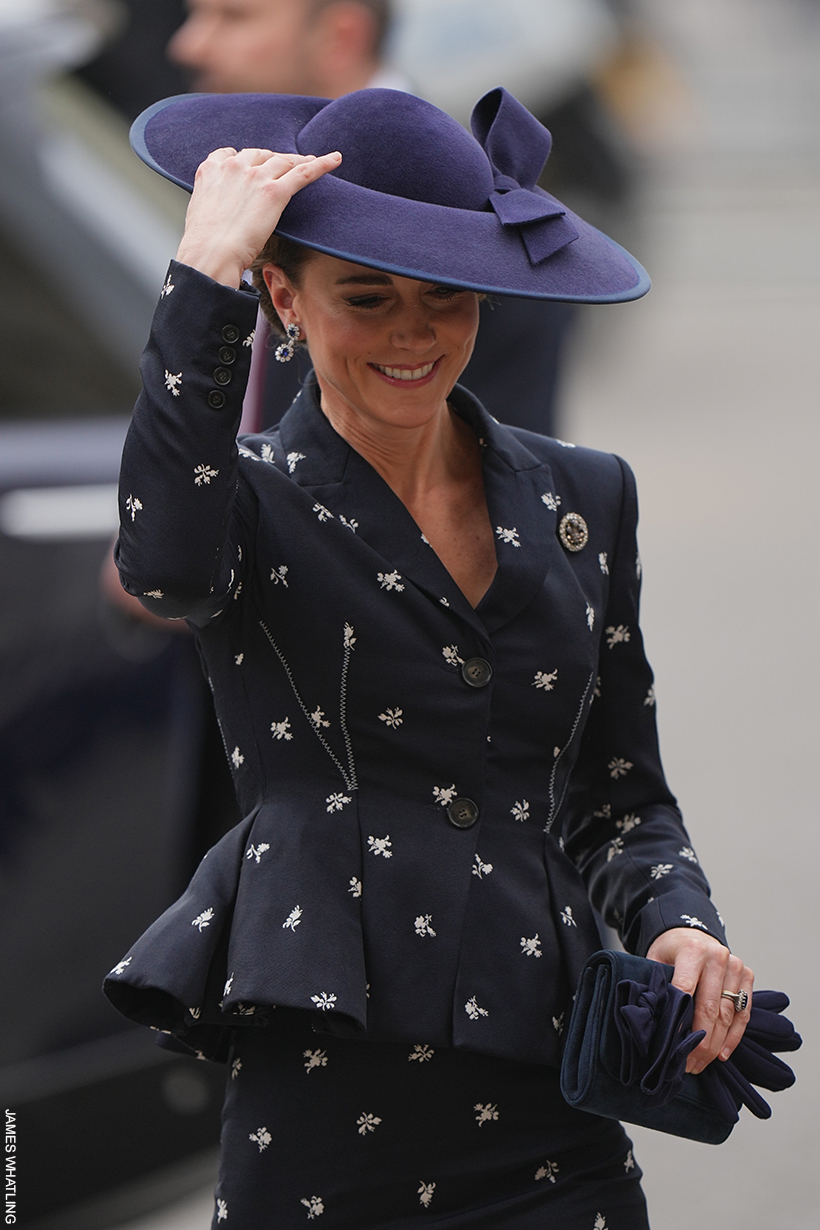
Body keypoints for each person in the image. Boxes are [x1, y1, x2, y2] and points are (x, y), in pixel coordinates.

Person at [104, 86, 753, 1228]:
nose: (414, 335)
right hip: (323, 1092)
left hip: (547, 1084)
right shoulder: (248, 498)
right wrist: (201, 276)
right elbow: (162, 565)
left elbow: (616, 789)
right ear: (282, 298)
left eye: (446, 297)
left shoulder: (582, 494)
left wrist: (680, 924)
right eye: (366, 297)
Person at [167, 0, 576, 436]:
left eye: (234, 16)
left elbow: (504, 476)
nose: (189, 45)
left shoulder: (479, 218)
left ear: (341, 35)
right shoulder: (245, 176)